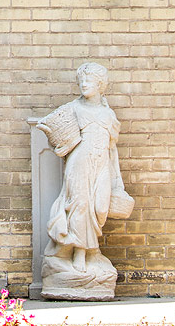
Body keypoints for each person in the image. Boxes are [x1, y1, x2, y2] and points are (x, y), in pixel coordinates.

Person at [37, 61, 133, 299]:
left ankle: (91, 252)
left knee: (99, 207)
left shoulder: (108, 115)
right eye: (81, 80)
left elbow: (112, 151)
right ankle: (81, 253)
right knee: (80, 206)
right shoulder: (73, 109)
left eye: (89, 81)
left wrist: (117, 180)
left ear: (101, 85)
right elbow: (53, 128)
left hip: (101, 164)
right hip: (79, 163)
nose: (84, 84)